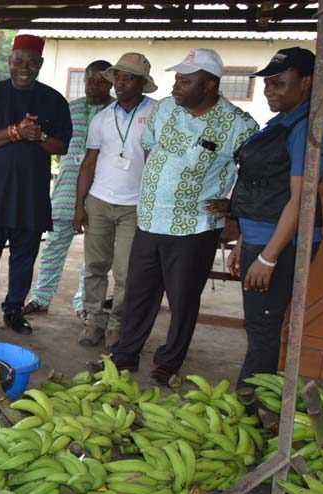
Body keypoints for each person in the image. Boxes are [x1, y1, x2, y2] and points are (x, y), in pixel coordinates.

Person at [99, 48, 259, 384]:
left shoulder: (238, 124)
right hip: (150, 219)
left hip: (195, 226)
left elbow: (255, 171)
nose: (176, 86)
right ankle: (125, 354)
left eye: (185, 81)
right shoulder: (164, 109)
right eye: (176, 79)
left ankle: (169, 361)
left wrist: (234, 206)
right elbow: (148, 146)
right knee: (139, 292)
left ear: (210, 85)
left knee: (183, 298)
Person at [228, 47, 323, 386]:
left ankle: (253, 405)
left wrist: (268, 257)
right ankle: (254, 399)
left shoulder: (307, 127)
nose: (270, 91)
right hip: (260, 237)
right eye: (267, 84)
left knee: (263, 325)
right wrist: (243, 240)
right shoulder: (281, 123)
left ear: (306, 83)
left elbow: (300, 198)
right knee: (258, 322)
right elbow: (261, 188)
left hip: (281, 244)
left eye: (279, 84)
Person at [0, 34, 73, 334]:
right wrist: (14, 131)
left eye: (31, 62)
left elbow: (61, 147)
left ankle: (14, 310)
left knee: (24, 258)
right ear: (9, 63)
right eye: (18, 61)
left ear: (39, 64)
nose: (24, 68)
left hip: (31, 195)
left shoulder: (54, 100)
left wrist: (38, 136)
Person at [73, 53, 158, 349]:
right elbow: (89, 163)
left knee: (125, 272)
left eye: (128, 78)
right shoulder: (102, 118)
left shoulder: (158, 114)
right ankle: (93, 321)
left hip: (135, 207)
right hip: (99, 201)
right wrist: (79, 205)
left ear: (142, 83)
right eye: (118, 77)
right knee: (95, 266)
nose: (120, 83)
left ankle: (117, 325)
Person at [23, 60, 112, 315]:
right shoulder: (68, 109)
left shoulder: (116, 111)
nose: (95, 86)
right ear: (83, 80)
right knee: (54, 245)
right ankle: (41, 297)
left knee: (95, 253)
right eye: (90, 80)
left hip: (102, 190)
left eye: (102, 81)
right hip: (66, 188)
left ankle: (85, 303)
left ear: (111, 83)